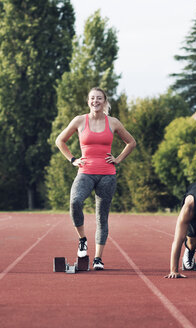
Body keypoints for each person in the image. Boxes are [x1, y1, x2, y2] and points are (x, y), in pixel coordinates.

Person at [55, 87, 136, 270]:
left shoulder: (113, 122)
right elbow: (60, 140)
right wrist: (73, 160)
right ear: (88, 101)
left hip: (107, 175)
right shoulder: (79, 120)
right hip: (85, 172)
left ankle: (98, 259)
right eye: (92, 98)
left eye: (99, 98)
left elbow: (131, 142)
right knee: (75, 201)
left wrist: (118, 159)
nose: (95, 101)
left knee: (102, 218)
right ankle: (82, 239)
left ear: (104, 101)